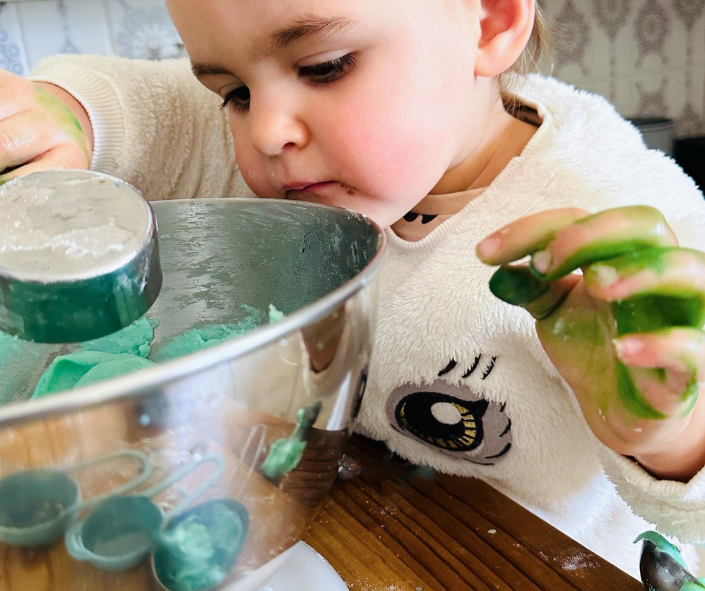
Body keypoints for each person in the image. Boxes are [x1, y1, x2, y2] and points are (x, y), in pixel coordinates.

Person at [1, 0, 705, 577]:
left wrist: (673, 433)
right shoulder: (298, 150)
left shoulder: (626, 229)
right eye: (235, 94)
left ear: (488, 21)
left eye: (325, 66)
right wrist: (59, 114)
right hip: (365, 527)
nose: (268, 129)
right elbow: (154, 106)